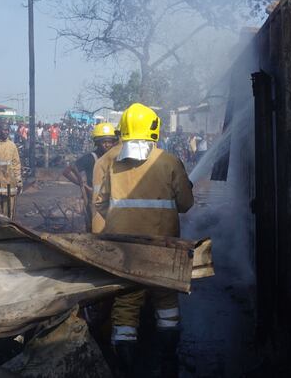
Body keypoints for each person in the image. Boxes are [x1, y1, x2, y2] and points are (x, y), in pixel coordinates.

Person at [92, 103, 194, 377]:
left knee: (126, 303)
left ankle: (126, 368)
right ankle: (168, 362)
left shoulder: (112, 164)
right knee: (166, 302)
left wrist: (120, 219)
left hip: (125, 248)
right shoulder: (170, 161)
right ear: (154, 128)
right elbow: (185, 204)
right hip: (163, 248)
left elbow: (99, 202)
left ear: (123, 130)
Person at [62, 122, 118, 231]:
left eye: (110, 142)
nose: (107, 145)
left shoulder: (115, 157)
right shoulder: (91, 158)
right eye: (104, 142)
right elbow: (67, 171)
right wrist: (84, 186)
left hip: (111, 202)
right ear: (97, 143)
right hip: (94, 204)